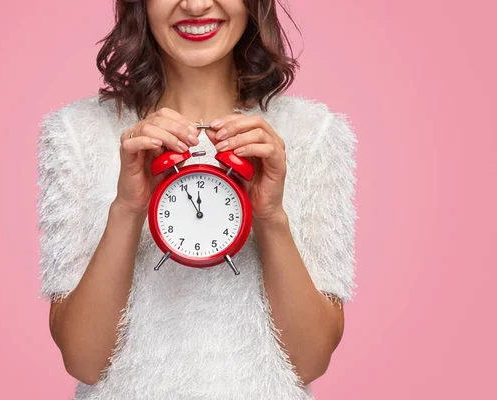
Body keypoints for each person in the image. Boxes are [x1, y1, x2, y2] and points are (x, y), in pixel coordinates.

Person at [36, 0, 358, 399]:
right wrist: (127, 208)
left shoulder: (312, 134)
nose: (196, 5)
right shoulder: (75, 133)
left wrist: (271, 216)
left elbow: (310, 362)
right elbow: (83, 361)